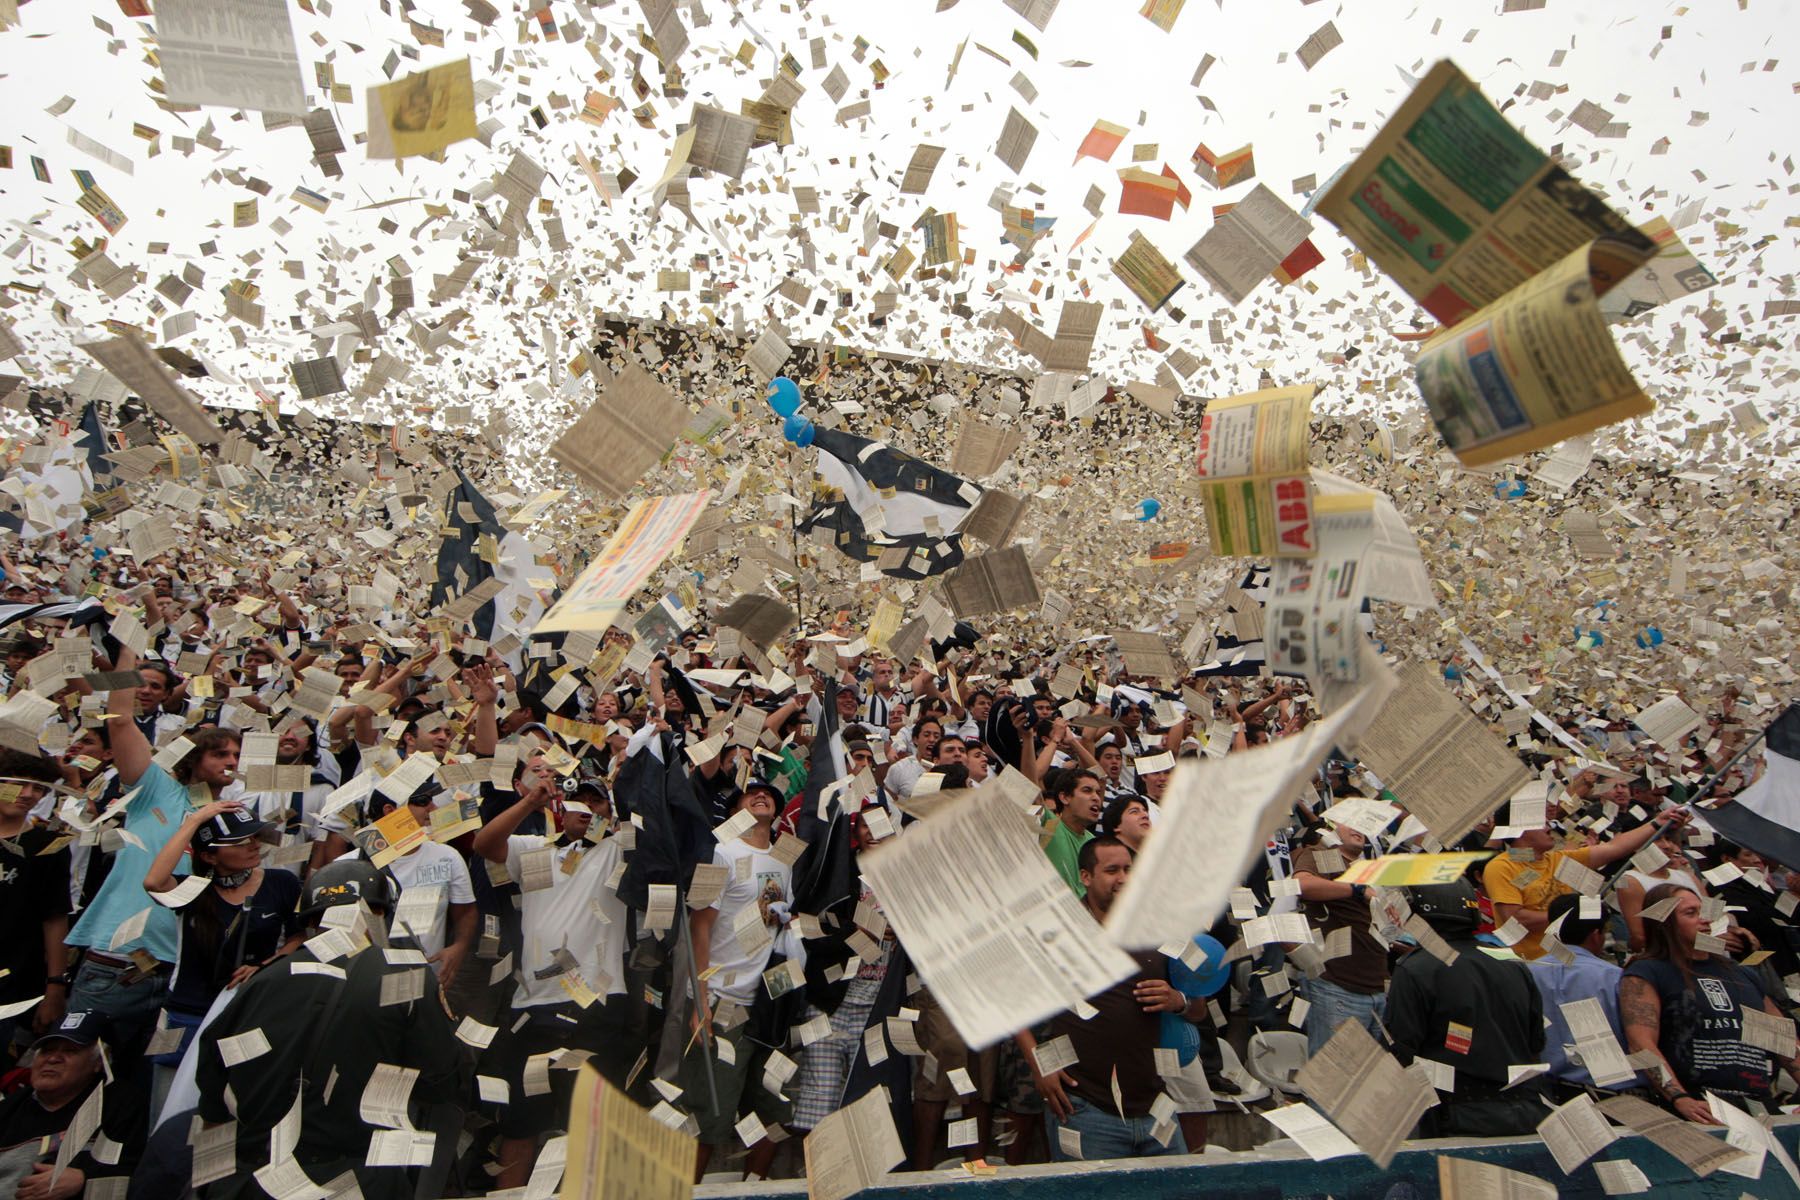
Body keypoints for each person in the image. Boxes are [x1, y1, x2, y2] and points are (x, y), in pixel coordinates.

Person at [190, 858, 465, 1198]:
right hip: (357, 1177)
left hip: (255, 1177)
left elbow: (213, 1095)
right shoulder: (406, 976)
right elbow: (442, 1081)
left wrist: (211, 1186)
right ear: (380, 914)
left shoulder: (262, 981)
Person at [66, 654, 243, 1055]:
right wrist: (127, 654)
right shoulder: (157, 790)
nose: (230, 762)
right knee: (80, 1071)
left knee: (139, 1091)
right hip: (118, 962)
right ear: (194, 758)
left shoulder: (232, 819)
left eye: (235, 756)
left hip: (179, 974)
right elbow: (122, 720)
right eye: (219, 754)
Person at [470, 766, 628, 1190]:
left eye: (597, 803)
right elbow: (484, 844)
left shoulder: (616, 851)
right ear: (561, 807)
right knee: (522, 1122)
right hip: (532, 1004)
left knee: (589, 1123)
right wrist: (529, 802)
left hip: (595, 1000)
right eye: (580, 800)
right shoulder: (534, 848)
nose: (587, 809)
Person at [1017, 837, 1192, 1160]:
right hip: (1086, 1109)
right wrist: (1039, 1065)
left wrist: (1178, 1000)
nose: (1123, 878)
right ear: (1086, 877)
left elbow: (1199, 1008)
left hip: (1156, 1107)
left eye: (1128, 869)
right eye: (1112, 870)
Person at [142, 800, 304, 1112]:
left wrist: (271, 963)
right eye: (240, 841)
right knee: (167, 1109)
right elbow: (153, 882)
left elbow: (300, 934)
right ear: (208, 855)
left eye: (254, 836)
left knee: (230, 1109)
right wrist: (195, 821)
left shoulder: (281, 882)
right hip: (185, 1016)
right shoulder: (193, 890)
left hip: (248, 1011)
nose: (253, 845)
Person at [679, 779, 794, 1181]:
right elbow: (700, 929)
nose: (760, 795)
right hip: (723, 1001)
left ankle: (754, 1186)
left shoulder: (785, 859)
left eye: (768, 795)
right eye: (749, 794)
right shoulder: (719, 854)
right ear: (733, 812)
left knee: (773, 1110)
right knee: (709, 1114)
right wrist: (700, 1002)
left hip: (770, 1006)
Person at [1619, 882, 1800, 1123]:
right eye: (1690, 913)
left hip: (1758, 1104)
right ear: (1664, 922)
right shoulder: (1647, 972)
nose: (1704, 919)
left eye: (1703, 911)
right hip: (1699, 1107)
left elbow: (1785, 1044)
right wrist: (1679, 1097)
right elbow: (1641, 1045)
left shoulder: (1741, 974)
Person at [1385, 879, 1550, 1136]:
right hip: (1525, 1110)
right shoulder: (1511, 960)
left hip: (1456, 1117)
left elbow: (1402, 1048)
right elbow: (1536, 1040)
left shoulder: (1415, 968)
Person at [1482, 808, 1692, 960]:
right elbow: (1516, 919)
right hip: (1532, 967)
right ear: (1520, 830)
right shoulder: (1501, 867)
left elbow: (1614, 848)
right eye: (1540, 821)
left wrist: (1656, 822)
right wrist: (1574, 917)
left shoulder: (1558, 859)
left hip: (1571, 961)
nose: (1549, 826)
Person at [0, 1011, 142, 1199]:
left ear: (99, 1062)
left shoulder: (122, 1105)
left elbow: (137, 1175)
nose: (53, 1059)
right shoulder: (8, 1108)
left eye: (70, 1051)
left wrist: (84, 1179)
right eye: (48, 1050)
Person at [1526, 894, 1639, 1100]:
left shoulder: (1526, 973)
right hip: (1610, 1095)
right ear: (1596, 935)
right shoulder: (1614, 977)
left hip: (1543, 1094)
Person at [1290, 822, 1387, 1055]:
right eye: (1352, 822)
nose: (1359, 828)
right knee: (1331, 1079)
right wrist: (1356, 889)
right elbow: (1302, 884)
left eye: (1365, 824)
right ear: (1334, 827)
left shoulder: (1371, 868)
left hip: (1377, 987)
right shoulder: (1320, 855)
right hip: (1337, 984)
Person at [0, 750, 73, 1053]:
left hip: (13, 985)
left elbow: (54, 917)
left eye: (39, 787)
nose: (29, 794)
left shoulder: (48, 846)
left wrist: (55, 985)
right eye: (19, 784)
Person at [1042, 769, 1103, 897]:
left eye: (1098, 792)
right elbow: (1028, 782)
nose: (1096, 798)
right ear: (1064, 797)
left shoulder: (1093, 842)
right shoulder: (1049, 826)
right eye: (1087, 790)